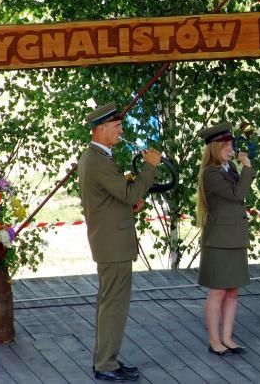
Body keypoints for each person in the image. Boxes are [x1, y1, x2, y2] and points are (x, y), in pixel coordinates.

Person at [78, 103, 162, 381]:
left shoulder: (96, 157)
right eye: (116, 126)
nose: (121, 131)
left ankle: (106, 359)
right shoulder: (98, 161)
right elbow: (129, 193)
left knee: (109, 304)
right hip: (112, 244)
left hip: (108, 241)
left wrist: (128, 204)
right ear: (100, 129)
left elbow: (111, 199)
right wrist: (150, 167)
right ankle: (106, 364)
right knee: (114, 306)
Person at [196, 122, 256, 356]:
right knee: (218, 292)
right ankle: (214, 340)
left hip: (234, 236)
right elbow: (237, 194)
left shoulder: (228, 166)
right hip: (220, 240)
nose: (231, 149)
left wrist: (242, 167)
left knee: (232, 291)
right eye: (227, 145)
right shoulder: (210, 173)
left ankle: (227, 337)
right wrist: (247, 168)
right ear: (215, 147)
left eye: (231, 144)